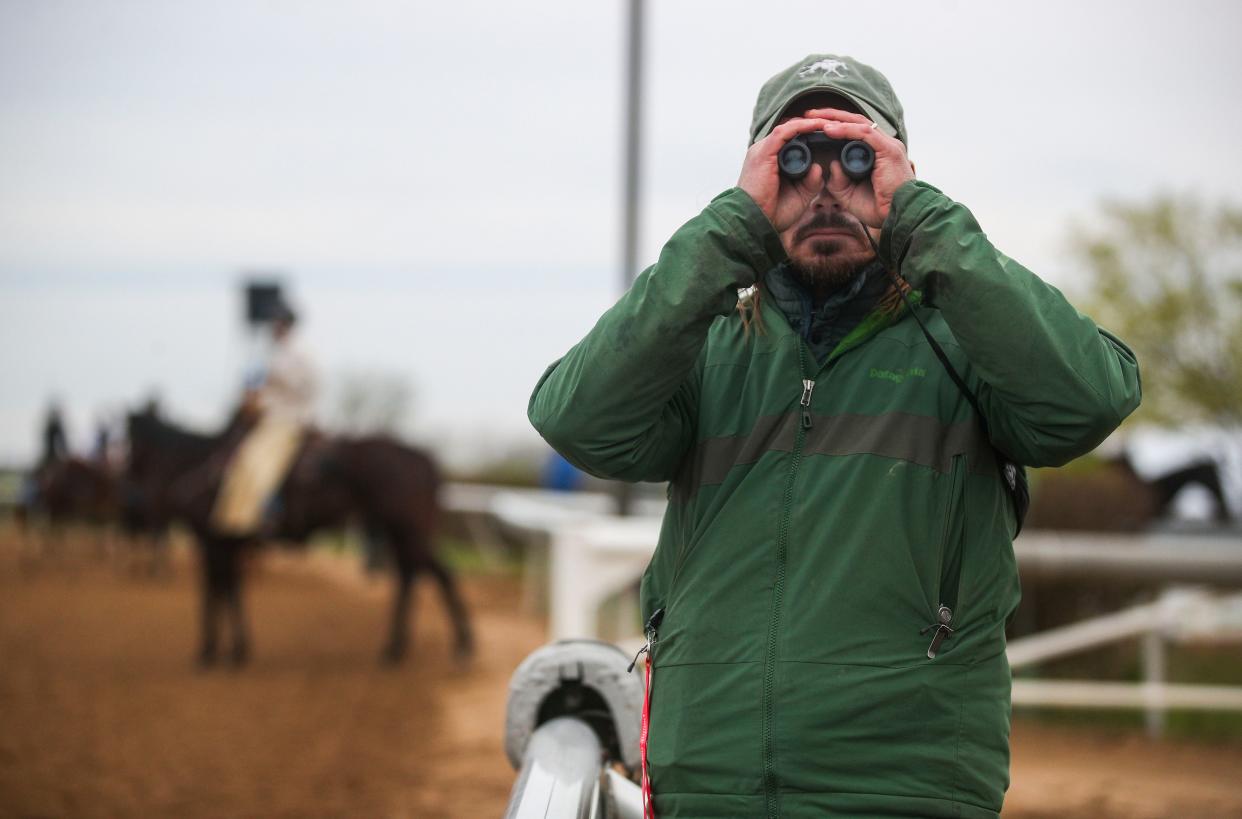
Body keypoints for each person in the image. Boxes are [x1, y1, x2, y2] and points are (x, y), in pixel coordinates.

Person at [528, 53, 1141, 818]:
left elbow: (1086, 401)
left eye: (856, 159)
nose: (824, 186)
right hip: (709, 782)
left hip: (905, 789)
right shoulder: (711, 347)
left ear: (900, 171)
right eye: (793, 162)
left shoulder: (964, 341)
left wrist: (922, 220)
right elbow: (576, 417)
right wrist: (730, 231)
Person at [213, 302, 318, 536]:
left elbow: (306, 388)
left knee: (256, 462)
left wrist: (271, 382)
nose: (274, 328)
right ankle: (234, 519)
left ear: (287, 325)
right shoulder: (272, 354)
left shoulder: (301, 354)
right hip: (265, 419)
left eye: (278, 323)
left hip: (287, 421)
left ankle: (266, 512)